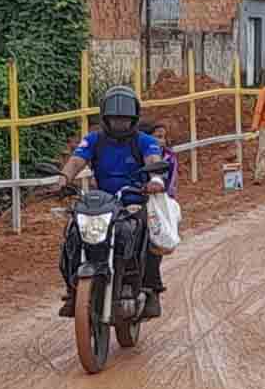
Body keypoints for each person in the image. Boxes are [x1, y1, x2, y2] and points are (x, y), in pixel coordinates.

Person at [56, 86, 167, 318]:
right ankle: (73, 290)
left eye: (124, 120)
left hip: (132, 201)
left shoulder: (144, 141)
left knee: (148, 234)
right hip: (101, 203)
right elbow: (77, 160)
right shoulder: (94, 139)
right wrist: (63, 178)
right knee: (73, 233)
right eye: (115, 119)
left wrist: (155, 179)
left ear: (134, 119)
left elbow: (154, 159)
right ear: (105, 118)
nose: (119, 124)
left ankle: (150, 289)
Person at [140, 122, 178, 199]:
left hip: (164, 195)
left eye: (164, 137)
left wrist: (170, 195)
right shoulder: (138, 154)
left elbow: (173, 177)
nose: (163, 141)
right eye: (159, 137)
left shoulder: (170, 156)